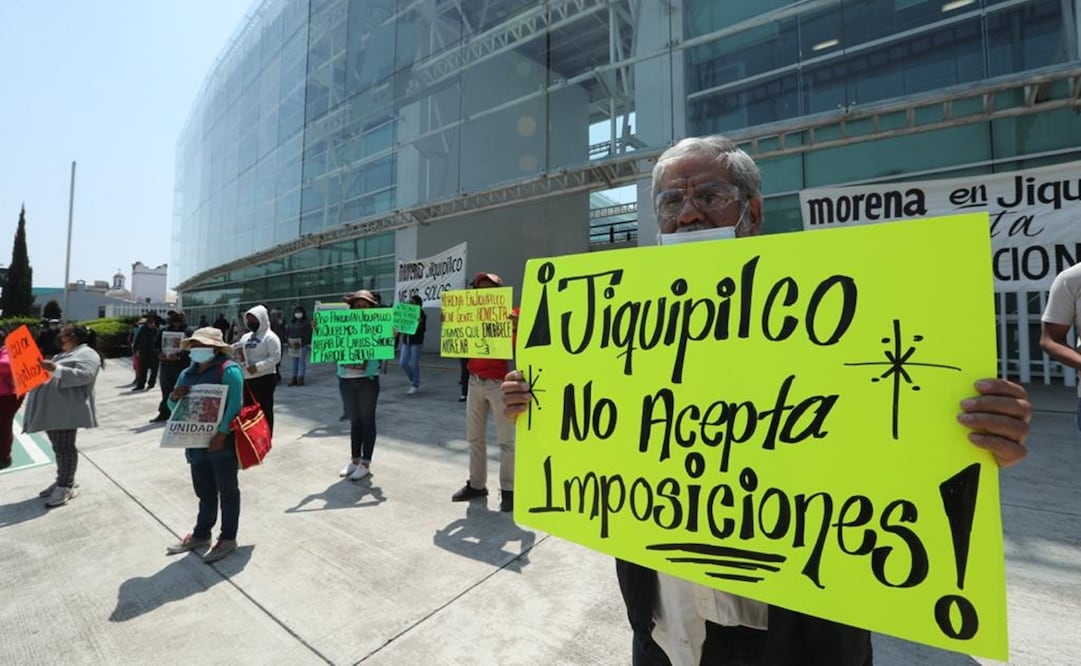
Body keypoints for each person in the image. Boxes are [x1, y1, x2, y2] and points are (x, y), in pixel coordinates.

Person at [501, 135, 1032, 665]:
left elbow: (902, 435)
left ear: (751, 212)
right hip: (668, 629)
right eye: (670, 201)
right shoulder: (617, 329)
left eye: (708, 197)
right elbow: (599, 437)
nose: (687, 216)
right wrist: (540, 404)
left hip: (800, 638)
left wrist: (982, 435)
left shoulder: (837, 313)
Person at [164, 327, 245, 564]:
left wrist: (221, 433)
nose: (197, 350)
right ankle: (202, 534)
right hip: (195, 444)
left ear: (215, 348)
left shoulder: (229, 370)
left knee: (228, 490)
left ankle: (228, 538)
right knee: (205, 491)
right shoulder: (186, 374)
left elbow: (235, 406)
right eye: (195, 345)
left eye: (202, 345)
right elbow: (174, 410)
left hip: (222, 444)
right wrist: (173, 398)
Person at [451, 272, 516, 513]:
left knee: (506, 440)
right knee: (474, 437)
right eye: (480, 289)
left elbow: (525, 342)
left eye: (489, 288)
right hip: (475, 382)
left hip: (499, 383)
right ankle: (477, 485)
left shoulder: (513, 315)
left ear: (498, 292)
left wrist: (516, 325)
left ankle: (509, 490)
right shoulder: (469, 314)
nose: (484, 293)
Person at [22, 325, 103, 507]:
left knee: (65, 447)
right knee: (59, 447)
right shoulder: (63, 355)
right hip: (55, 410)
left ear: (73, 336)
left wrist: (55, 369)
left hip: (66, 411)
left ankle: (65, 485)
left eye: (63, 335)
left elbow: (86, 375)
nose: (60, 338)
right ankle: (64, 479)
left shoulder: (87, 354)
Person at [336, 289, 382, 481]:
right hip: (345, 378)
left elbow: (385, 348)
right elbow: (330, 344)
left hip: (367, 379)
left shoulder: (379, 326)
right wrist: (320, 330)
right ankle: (354, 460)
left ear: (371, 308)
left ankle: (365, 462)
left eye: (364, 306)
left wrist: (391, 333)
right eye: (357, 305)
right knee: (355, 421)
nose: (360, 309)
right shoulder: (342, 325)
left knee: (367, 420)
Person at [234, 305, 282, 435]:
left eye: (253, 319)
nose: (250, 322)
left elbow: (275, 358)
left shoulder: (270, 337)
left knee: (264, 408)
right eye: (248, 319)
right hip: (247, 377)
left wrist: (258, 367)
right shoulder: (246, 337)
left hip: (264, 378)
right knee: (248, 407)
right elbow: (240, 351)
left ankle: (266, 434)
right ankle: (252, 433)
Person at [150, 311, 191, 423]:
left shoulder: (189, 331)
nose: (176, 320)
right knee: (166, 389)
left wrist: (178, 356)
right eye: (173, 317)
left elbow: (191, 348)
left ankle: (181, 414)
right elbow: (155, 345)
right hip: (166, 366)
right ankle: (164, 413)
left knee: (181, 390)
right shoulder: (163, 330)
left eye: (178, 317)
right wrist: (159, 353)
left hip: (181, 366)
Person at [0, 330, 24, 470]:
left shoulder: (8, 352)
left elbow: (7, 365)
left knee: (3, 427)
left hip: (8, 397)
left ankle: (4, 457)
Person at [399, 294, 426, 395]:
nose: (410, 304)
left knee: (415, 363)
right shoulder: (406, 312)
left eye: (412, 302)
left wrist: (419, 323)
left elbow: (423, 330)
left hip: (416, 342)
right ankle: (413, 377)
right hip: (406, 341)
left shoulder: (422, 314)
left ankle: (415, 384)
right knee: (403, 362)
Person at [285, 304, 313, 386]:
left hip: (302, 344)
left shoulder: (306, 322)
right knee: (294, 362)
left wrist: (306, 342)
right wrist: (288, 340)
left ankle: (300, 378)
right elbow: (287, 332)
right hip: (292, 344)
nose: (298, 313)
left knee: (301, 362)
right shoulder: (291, 322)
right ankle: (294, 378)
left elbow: (309, 333)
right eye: (296, 312)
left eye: (300, 312)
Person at [131, 316, 159, 391]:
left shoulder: (157, 331)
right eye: (150, 323)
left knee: (154, 370)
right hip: (144, 352)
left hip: (154, 353)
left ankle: (151, 383)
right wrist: (135, 349)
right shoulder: (142, 330)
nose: (151, 325)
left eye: (152, 323)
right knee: (142, 369)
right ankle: (141, 384)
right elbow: (137, 339)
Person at [269, 309, 287, 384]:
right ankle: (276, 375)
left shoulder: (283, 321)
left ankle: (276, 374)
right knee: (275, 358)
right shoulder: (272, 322)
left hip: (281, 341)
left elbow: (285, 330)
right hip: (274, 341)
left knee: (279, 358)